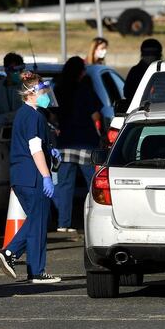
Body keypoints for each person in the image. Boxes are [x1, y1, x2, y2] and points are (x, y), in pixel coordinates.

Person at [0, 71, 61, 284]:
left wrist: (50, 150)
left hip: (22, 176)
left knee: (37, 220)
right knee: (38, 220)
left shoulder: (26, 114)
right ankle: (11, 253)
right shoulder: (33, 115)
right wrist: (46, 175)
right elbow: (34, 149)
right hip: (33, 177)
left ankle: (35, 270)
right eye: (43, 91)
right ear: (31, 93)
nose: (46, 95)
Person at [52, 56, 103, 232]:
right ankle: (95, 220)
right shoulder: (85, 89)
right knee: (92, 184)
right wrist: (101, 133)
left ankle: (63, 223)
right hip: (86, 142)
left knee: (65, 185)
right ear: (81, 72)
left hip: (65, 142)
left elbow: (53, 115)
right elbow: (95, 116)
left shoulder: (58, 90)